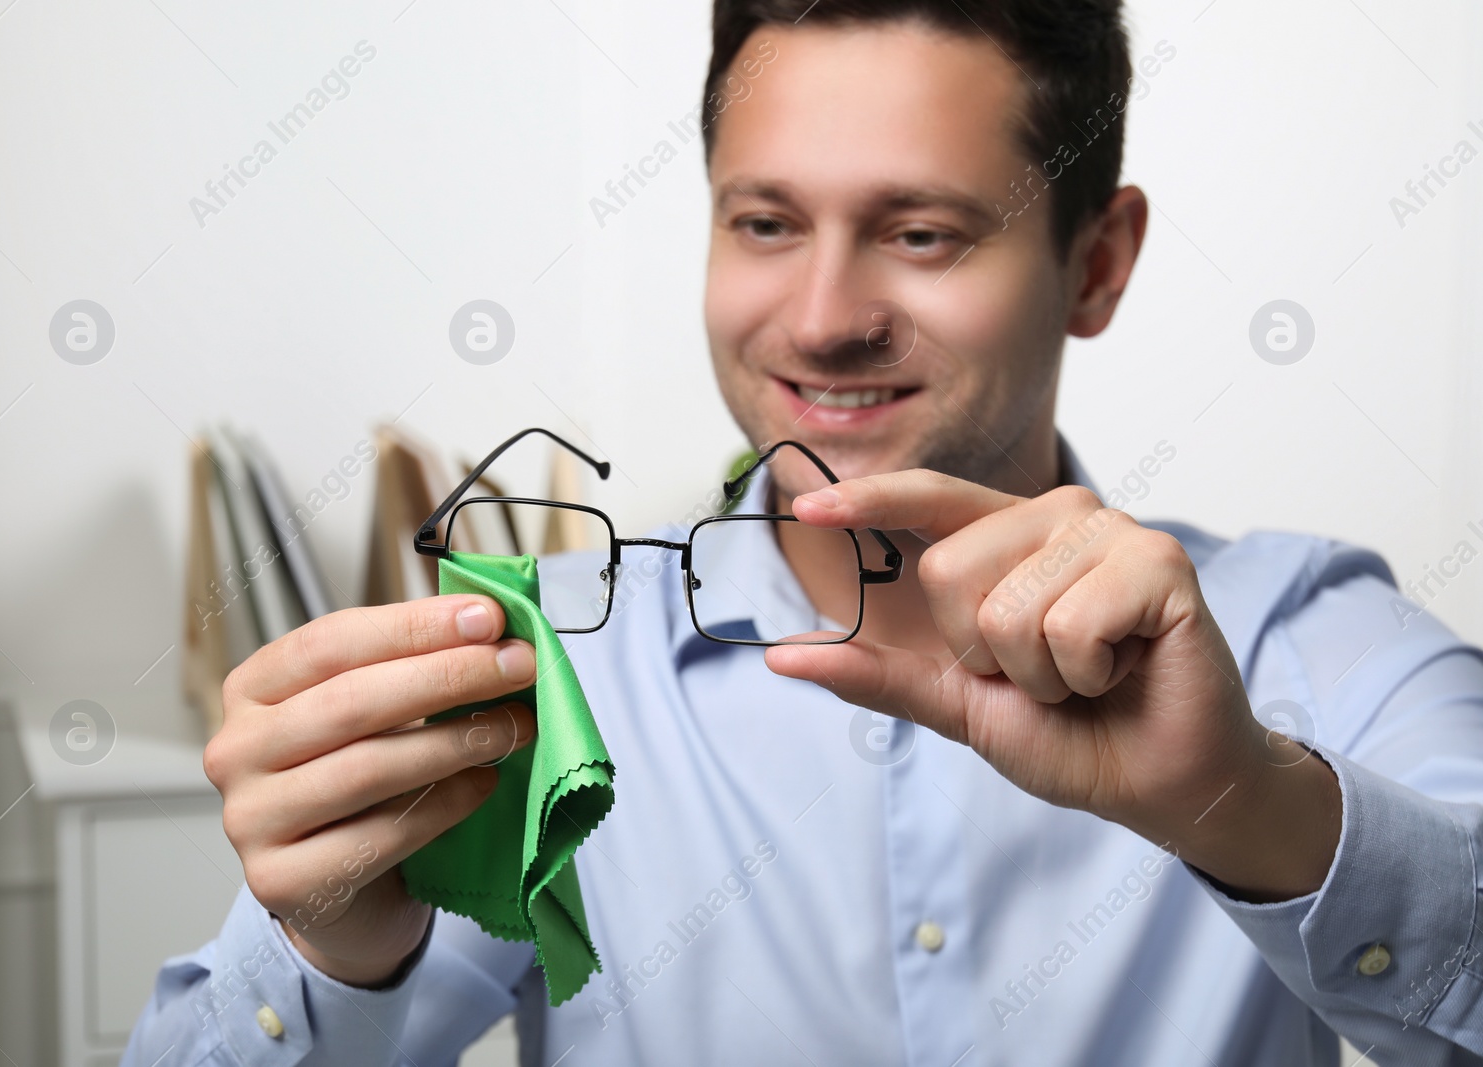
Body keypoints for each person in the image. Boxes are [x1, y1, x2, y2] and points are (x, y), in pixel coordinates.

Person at [125, 1, 1483, 1064]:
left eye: (923, 233)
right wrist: (334, 948)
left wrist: (1249, 805)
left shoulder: (1308, 641)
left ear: (1097, 263)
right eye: (766, 223)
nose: (825, 314)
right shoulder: (540, 674)